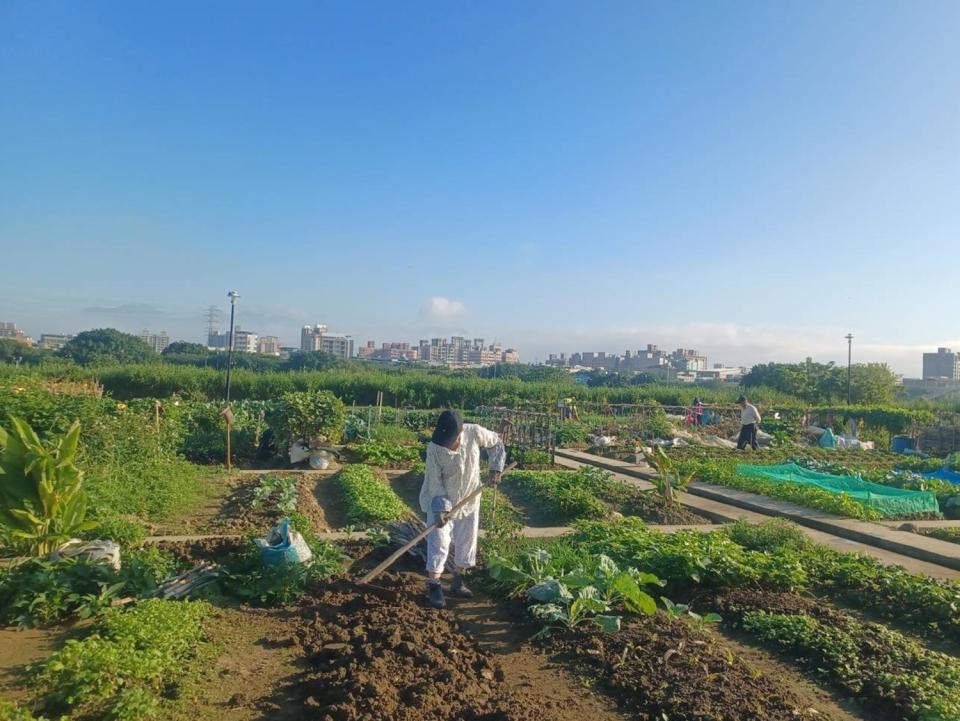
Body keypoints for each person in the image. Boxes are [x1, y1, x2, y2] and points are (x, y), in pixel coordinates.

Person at [420, 409, 506, 609]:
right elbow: (435, 483)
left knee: (467, 540)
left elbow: (497, 443)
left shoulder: (474, 432)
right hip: (441, 501)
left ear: (459, 435)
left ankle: (459, 580)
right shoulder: (434, 448)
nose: (449, 445)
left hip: (470, 498)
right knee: (439, 541)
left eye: (452, 440)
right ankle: (434, 585)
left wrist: (495, 469)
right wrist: (441, 509)